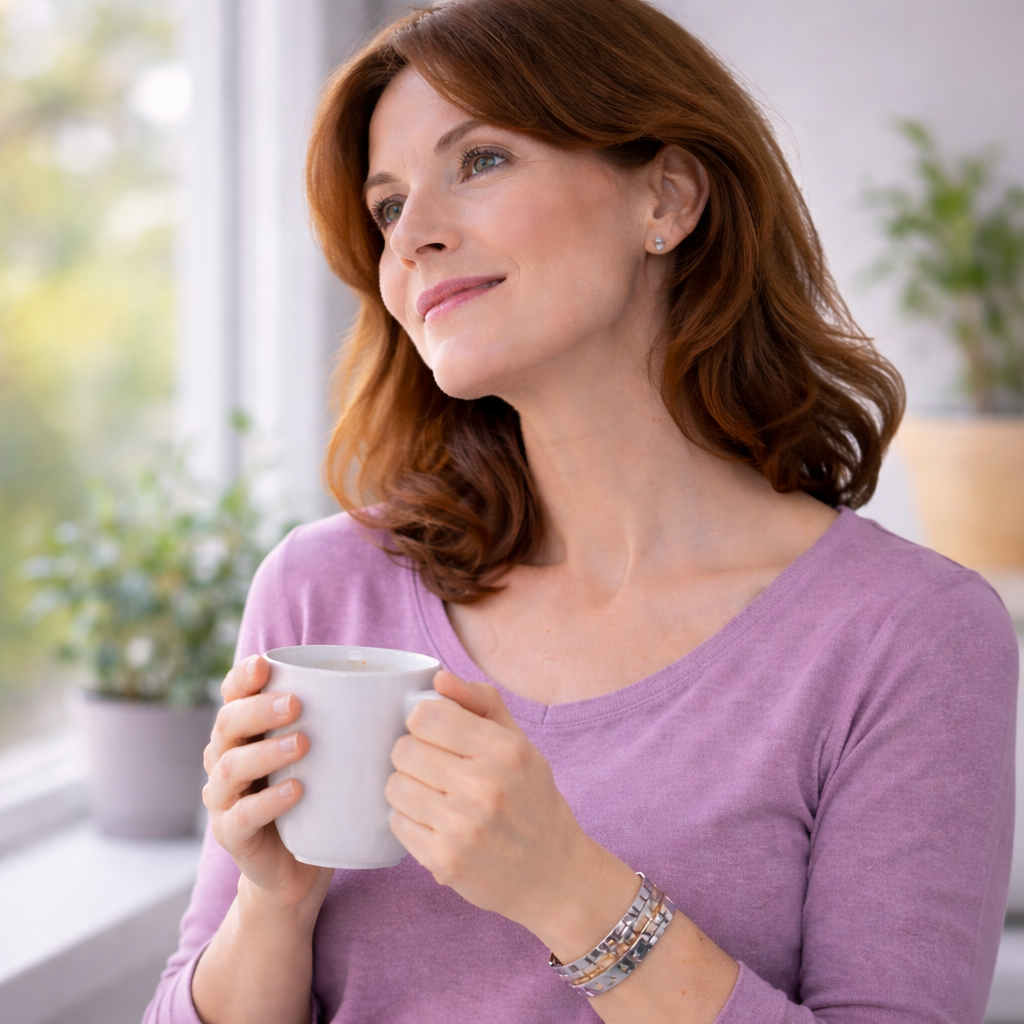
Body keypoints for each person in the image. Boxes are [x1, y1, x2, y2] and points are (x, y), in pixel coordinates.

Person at [144, 1, 1018, 1022]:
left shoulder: (909, 634)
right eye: (386, 207)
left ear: (668, 196)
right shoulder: (321, 592)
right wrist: (272, 903)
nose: (413, 237)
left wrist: (568, 889)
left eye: (479, 161)